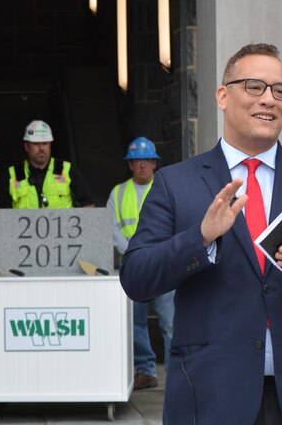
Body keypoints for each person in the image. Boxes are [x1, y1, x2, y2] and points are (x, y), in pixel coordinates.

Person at [119, 43, 282, 424]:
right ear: (223, 96)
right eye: (255, 87)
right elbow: (135, 278)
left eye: (280, 90)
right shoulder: (177, 183)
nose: (270, 100)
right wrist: (201, 239)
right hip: (211, 394)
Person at [107, 136, 173, 391]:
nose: (142, 165)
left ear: (154, 164)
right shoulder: (118, 192)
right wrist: (135, 253)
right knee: (135, 321)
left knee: (170, 320)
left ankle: (174, 371)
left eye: (147, 160)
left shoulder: (167, 187)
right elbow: (112, 228)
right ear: (130, 165)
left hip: (165, 265)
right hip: (134, 266)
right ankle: (145, 371)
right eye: (137, 161)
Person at [1, 119, 95, 208]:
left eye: (45, 143)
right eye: (36, 144)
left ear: (50, 145)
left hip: (64, 225)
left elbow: (88, 205)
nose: (41, 148)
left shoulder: (67, 170)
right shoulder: (13, 174)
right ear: (26, 146)